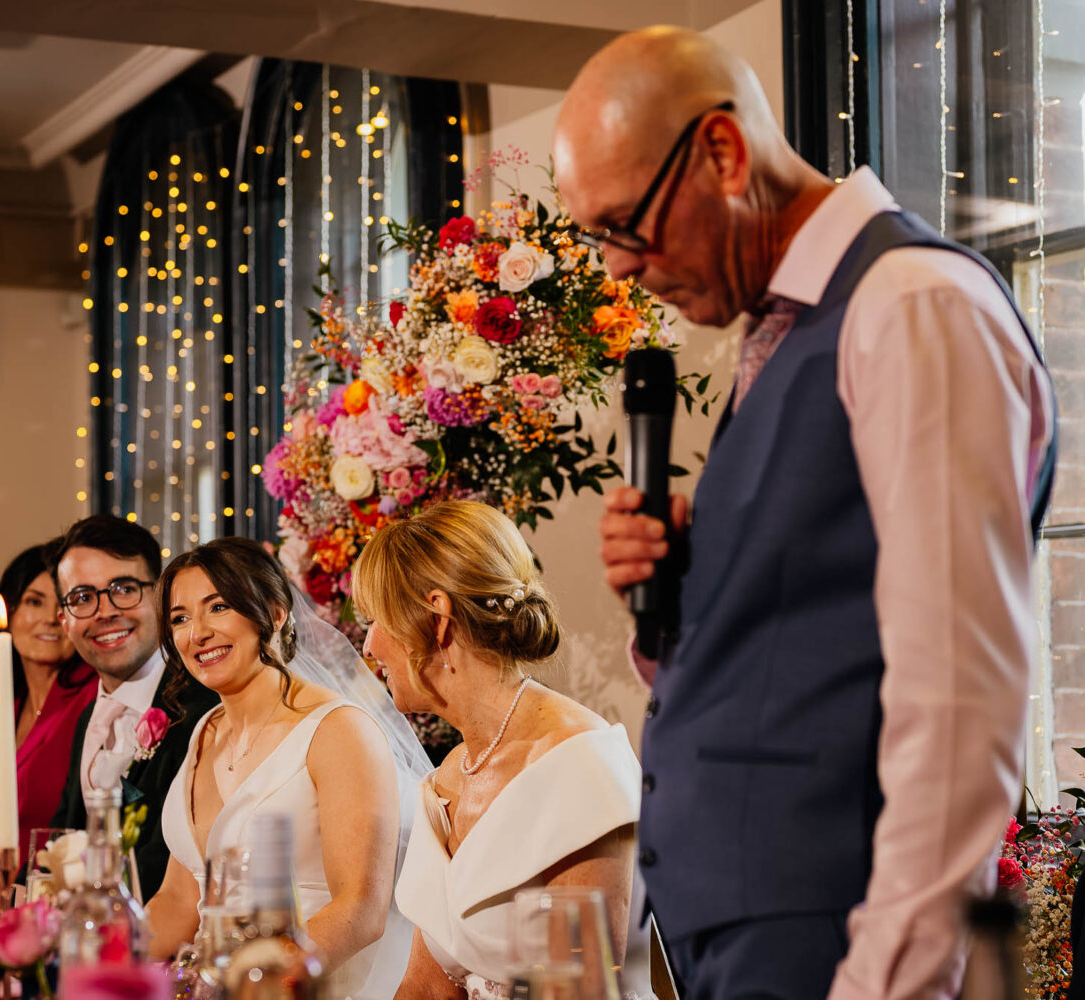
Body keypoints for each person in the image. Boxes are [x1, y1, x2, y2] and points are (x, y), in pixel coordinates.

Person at [557, 26, 1055, 999]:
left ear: (723, 152)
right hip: (747, 935)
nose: (618, 269)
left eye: (625, 226)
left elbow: (957, 698)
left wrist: (890, 979)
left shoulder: (909, 305)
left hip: (838, 936)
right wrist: (691, 589)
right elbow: (810, 639)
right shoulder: (786, 331)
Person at [350, 501, 643, 1000]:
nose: (369, 645)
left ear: (437, 618)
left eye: (375, 619)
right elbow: (426, 985)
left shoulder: (577, 768)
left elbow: (577, 993)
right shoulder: (447, 779)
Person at [147, 537, 424, 1000]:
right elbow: (178, 901)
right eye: (179, 618)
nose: (197, 633)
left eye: (217, 608)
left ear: (275, 614)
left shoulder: (338, 731)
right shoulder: (204, 733)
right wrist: (98, 958)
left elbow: (361, 909)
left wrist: (250, 985)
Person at [49, 516, 217, 902]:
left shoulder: (203, 710)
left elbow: (174, 871)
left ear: (160, 596)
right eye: (82, 597)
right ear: (64, 619)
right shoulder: (86, 721)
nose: (104, 611)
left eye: (124, 588)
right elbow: (61, 841)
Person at [0, 543, 98, 858]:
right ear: (7, 611)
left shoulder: (92, 698)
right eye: (34, 602)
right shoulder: (2, 700)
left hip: (47, 891)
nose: (51, 618)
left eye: (64, 603)